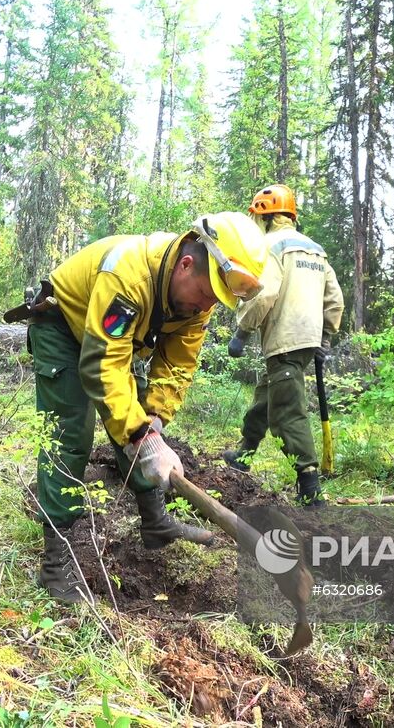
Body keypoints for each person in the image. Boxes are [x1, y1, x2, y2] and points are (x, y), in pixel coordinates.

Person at [21, 212, 267, 604]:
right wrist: (140, 433)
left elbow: (178, 364)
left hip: (119, 339)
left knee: (137, 418)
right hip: (64, 328)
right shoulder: (128, 278)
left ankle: (155, 522)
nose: (208, 306)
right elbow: (102, 365)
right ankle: (55, 565)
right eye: (207, 295)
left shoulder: (198, 298)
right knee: (69, 435)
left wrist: (154, 418)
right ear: (187, 264)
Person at [222, 184, 344, 506]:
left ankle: (310, 485)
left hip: (285, 340)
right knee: (267, 396)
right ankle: (244, 454)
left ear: (266, 216)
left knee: (288, 413)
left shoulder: (270, 245)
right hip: (306, 341)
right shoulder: (316, 249)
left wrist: (243, 332)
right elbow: (334, 299)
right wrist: (325, 337)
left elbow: (264, 293)